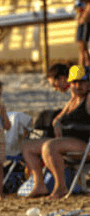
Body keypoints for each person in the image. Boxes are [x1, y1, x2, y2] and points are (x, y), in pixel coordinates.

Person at [24, 65, 90, 198]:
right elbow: (57, 119)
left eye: (83, 82)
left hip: (84, 143)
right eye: (74, 82)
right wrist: (58, 125)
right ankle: (40, 185)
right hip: (67, 141)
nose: (78, 85)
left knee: (50, 147)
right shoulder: (73, 100)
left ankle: (61, 188)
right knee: (27, 147)